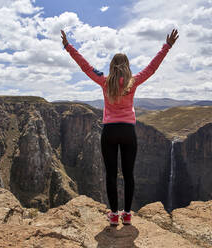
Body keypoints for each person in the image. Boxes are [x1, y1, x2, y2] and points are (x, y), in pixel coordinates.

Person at [61, 28, 179, 226]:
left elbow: (85, 66)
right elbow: (151, 68)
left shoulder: (104, 82)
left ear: (112, 66)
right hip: (127, 132)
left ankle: (114, 215)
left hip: (109, 131)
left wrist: (68, 47)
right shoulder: (132, 83)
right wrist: (166, 47)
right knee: (128, 174)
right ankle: (127, 215)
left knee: (110, 174)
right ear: (127, 66)